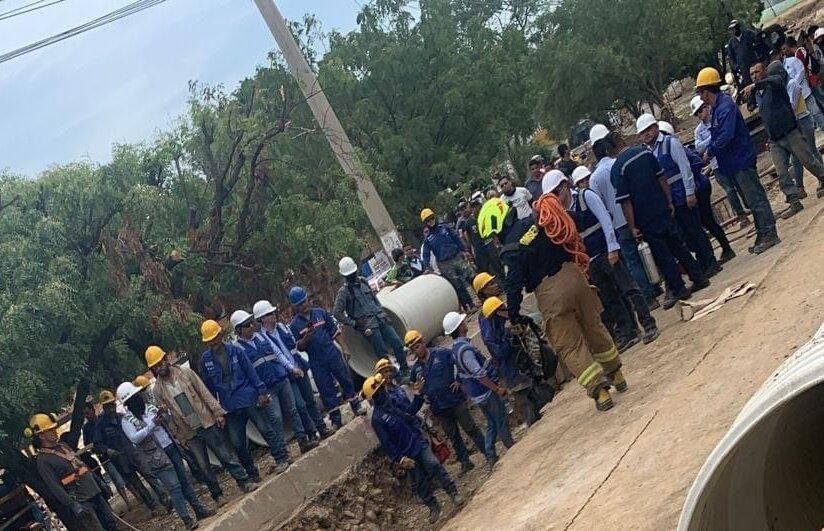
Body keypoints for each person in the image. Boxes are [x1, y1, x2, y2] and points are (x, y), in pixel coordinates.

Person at [478, 196, 625, 411]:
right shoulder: (541, 220)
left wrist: (514, 313)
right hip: (576, 277)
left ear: (497, 227)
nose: (495, 241)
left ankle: (601, 392)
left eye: (493, 236)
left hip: (550, 292)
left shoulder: (510, 250)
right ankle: (617, 375)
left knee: (569, 344)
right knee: (594, 327)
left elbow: (513, 284)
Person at [548, 169, 659, 348]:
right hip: (590, 260)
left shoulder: (586, 197)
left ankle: (648, 323)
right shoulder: (562, 214)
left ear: (565, 186)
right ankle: (629, 330)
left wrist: (613, 248)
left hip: (607, 252)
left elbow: (605, 219)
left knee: (628, 288)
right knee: (609, 297)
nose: (555, 198)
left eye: (556, 192)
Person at [146, 346, 256, 504]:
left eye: (160, 363)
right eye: (155, 366)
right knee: (203, 465)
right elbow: (167, 418)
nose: (159, 368)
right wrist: (179, 436)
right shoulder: (158, 391)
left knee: (225, 455)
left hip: (205, 421)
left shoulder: (185, 373)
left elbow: (203, 392)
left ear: (165, 360)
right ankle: (217, 495)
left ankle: (244, 481)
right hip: (188, 431)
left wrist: (217, 412)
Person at [696, 66, 779, 254]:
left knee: (755, 198)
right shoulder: (718, 108)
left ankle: (769, 233)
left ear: (708, 90)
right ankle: (762, 232)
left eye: (701, 92)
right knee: (750, 201)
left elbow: (725, 136)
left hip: (740, 160)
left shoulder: (725, 107)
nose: (700, 97)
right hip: (732, 163)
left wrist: (710, 152)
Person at [364, 373, 464, 524]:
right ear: (375, 396)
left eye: (382, 388)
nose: (383, 391)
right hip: (406, 454)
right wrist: (400, 458)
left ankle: (453, 492)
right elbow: (387, 443)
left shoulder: (394, 402)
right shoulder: (378, 419)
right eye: (379, 390)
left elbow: (410, 411)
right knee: (419, 482)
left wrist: (418, 395)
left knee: (434, 465)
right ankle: (433, 507)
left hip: (417, 441)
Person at [198, 318, 288, 479]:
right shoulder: (206, 361)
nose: (213, 342)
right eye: (209, 340)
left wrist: (261, 391)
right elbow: (208, 388)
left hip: (247, 397)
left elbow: (250, 372)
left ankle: (281, 458)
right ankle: (252, 473)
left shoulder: (236, 351)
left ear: (220, 335)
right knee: (237, 442)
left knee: (265, 428)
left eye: (215, 338)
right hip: (229, 406)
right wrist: (216, 410)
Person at [117, 382, 213, 529]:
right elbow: (134, 438)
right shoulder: (127, 420)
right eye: (134, 398)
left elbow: (167, 420)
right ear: (128, 403)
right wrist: (151, 425)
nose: (138, 399)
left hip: (170, 447)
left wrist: (164, 414)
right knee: (174, 487)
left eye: (138, 395)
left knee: (184, 481)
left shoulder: (149, 408)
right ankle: (187, 519)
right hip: (155, 457)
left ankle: (199, 510)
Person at [636, 113, 721, 278]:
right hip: (671, 198)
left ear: (655, 128)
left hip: (682, 192)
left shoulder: (670, 143)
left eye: (648, 130)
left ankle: (711, 262)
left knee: (695, 229)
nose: (646, 134)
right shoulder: (649, 152)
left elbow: (685, 168)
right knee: (686, 234)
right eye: (642, 132)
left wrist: (690, 192)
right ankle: (703, 263)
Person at [588, 124, 660, 307]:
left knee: (633, 261)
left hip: (618, 223)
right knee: (651, 249)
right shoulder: (617, 164)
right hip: (635, 215)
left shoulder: (594, 178)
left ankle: (649, 297)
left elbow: (600, 206)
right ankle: (660, 284)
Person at [233, 308, 319, 456]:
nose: (251, 327)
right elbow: (245, 374)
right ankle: (283, 453)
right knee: (276, 419)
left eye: (251, 323)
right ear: (238, 330)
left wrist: (291, 368)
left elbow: (278, 354)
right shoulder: (238, 349)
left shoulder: (261, 337)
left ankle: (303, 441)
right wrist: (258, 393)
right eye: (247, 325)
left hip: (281, 378)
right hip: (266, 388)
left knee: (293, 411)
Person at [405, 330, 488, 475]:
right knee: (454, 436)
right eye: (413, 349)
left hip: (455, 400)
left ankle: (488, 453)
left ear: (423, 343)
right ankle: (465, 462)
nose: (416, 351)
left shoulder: (442, 353)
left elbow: (460, 365)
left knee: (470, 428)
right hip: (440, 409)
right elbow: (418, 393)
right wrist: (411, 409)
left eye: (417, 346)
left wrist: (459, 380)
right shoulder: (416, 371)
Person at [745, 61, 824, 210]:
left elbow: (776, 80)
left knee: (808, 161)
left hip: (790, 132)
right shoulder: (757, 93)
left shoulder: (775, 84)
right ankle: (794, 201)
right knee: (781, 173)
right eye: (751, 74)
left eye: (757, 72)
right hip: (775, 139)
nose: (754, 76)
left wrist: (756, 85)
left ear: (765, 72)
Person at [253, 300, 334, 441]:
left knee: (310, 400)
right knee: (299, 406)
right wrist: (291, 369)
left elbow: (294, 347)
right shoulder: (262, 338)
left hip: (299, 366)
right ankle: (310, 433)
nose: (273, 315)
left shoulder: (283, 328)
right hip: (286, 374)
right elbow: (277, 356)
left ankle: (321, 427)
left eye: (273, 312)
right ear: (262, 318)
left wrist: (298, 365)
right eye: (270, 313)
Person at [288, 286, 365, 428]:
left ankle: (356, 406)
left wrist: (345, 348)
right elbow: (298, 347)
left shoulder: (320, 313)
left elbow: (334, 332)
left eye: (304, 301)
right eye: (300, 304)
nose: (304, 305)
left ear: (308, 300)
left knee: (345, 379)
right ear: (295, 307)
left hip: (332, 353)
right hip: (316, 361)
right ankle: (336, 420)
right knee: (326, 389)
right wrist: (306, 338)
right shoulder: (294, 326)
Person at [444, 311, 515, 462]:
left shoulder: (456, 349)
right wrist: (496, 388)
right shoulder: (465, 350)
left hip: (477, 394)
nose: (465, 324)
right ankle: (512, 447)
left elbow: (462, 374)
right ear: (459, 327)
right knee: (500, 418)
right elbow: (479, 373)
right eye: (462, 323)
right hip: (485, 391)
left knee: (491, 423)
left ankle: (490, 454)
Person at [28, 413, 118, 531]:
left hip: (94, 491)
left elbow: (82, 466)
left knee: (111, 523)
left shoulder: (63, 446)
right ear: (41, 436)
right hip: (81, 501)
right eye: (50, 430)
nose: (55, 431)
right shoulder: (43, 460)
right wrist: (72, 504)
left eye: (54, 428)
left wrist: (99, 482)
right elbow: (55, 487)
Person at [478, 297, 553, 426]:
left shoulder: (503, 324)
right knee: (528, 404)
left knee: (539, 396)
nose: (505, 311)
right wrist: (508, 335)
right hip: (513, 372)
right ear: (495, 313)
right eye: (502, 309)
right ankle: (532, 424)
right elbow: (501, 352)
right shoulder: (492, 334)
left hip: (522, 367)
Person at [333, 256, 410, 378]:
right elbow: (337, 313)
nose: (352, 275)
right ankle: (395, 376)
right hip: (368, 326)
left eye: (353, 273)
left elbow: (375, 300)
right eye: (349, 274)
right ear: (344, 276)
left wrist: (383, 313)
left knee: (397, 342)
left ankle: (405, 370)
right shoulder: (344, 292)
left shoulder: (363, 281)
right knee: (382, 353)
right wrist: (354, 323)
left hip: (380, 318)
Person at [93, 390, 166, 515]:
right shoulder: (100, 425)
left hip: (134, 453)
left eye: (112, 404)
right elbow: (97, 444)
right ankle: (154, 507)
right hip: (120, 460)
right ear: (104, 407)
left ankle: (164, 498)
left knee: (150, 475)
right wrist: (107, 451)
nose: (111, 408)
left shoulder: (124, 417)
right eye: (108, 406)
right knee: (137, 485)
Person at [691, 95, 750, 232]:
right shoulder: (698, 131)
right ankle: (741, 216)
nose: (700, 115)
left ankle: (751, 208)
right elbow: (699, 147)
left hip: (729, 158)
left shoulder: (717, 119)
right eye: (697, 113)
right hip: (716, 164)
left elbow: (723, 135)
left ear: (706, 107)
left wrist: (711, 141)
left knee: (741, 185)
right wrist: (712, 140)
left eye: (700, 110)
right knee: (729, 190)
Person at [419, 209, 475, 312]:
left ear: (434, 217)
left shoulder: (445, 228)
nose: (431, 221)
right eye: (427, 220)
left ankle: (482, 295)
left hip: (457, 256)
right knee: (458, 286)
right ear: (425, 223)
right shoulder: (428, 239)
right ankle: (470, 306)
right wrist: (427, 267)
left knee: (470, 276)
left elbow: (456, 238)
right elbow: (425, 255)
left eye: (431, 218)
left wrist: (465, 250)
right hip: (445, 264)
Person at [81, 398, 132, 509]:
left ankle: (137, 496)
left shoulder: (102, 420)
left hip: (116, 452)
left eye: (87, 413)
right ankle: (127, 502)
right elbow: (87, 445)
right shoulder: (86, 429)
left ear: (93, 410)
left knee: (126, 475)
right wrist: (96, 447)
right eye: (85, 414)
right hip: (104, 457)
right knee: (117, 479)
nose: (87, 416)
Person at [782, 37, 824, 129]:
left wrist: (796, 83)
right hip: (808, 82)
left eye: (785, 48)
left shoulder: (798, 53)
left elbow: (803, 69)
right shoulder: (796, 54)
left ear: (788, 46)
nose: (784, 51)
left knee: (819, 101)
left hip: (811, 79)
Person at [728, 20, 760, 87]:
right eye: (731, 29)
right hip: (743, 69)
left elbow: (758, 42)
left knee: (759, 81)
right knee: (749, 85)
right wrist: (736, 67)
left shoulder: (748, 33)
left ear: (738, 27)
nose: (733, 31)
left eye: (734, 28)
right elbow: (731, 58)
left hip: (754, 64)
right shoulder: (731, 42)